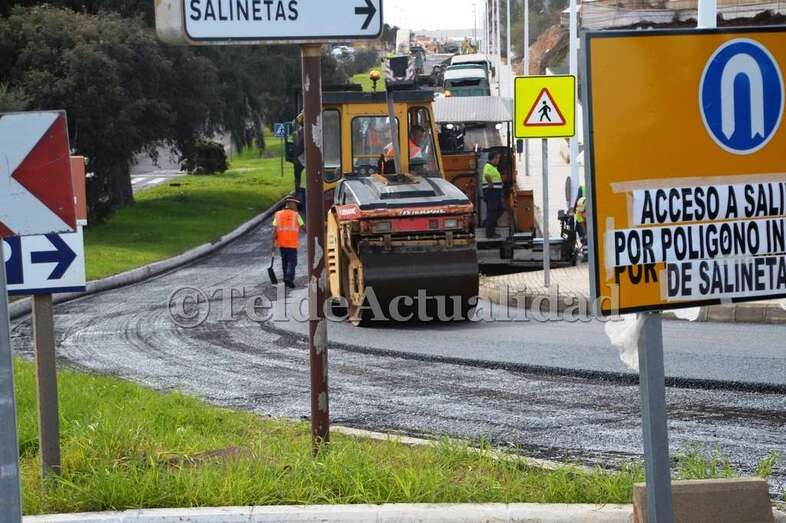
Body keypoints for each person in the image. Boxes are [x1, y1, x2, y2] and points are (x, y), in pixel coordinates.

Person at [272, 197, 305, 289]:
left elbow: (274, 230)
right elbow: (303, 227)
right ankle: (289, 278)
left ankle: (285, 278)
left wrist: (273, 243)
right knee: (292, 261)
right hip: (292, 243)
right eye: (295, 204)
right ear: (291, 203)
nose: (296, 206)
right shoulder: (296, 215)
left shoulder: (278, 215)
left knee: (285, 261)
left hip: (282, 243)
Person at [483, 151, 504, 238]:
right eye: (497, 158)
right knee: (492, 212)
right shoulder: (488, 166)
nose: (498, 160)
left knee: (500, 209)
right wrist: (490, 183)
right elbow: (486, 175)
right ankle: (490, 233)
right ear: (493, 158)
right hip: (492, 192)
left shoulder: (493, 167)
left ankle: (487, 223)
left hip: (496, 192)